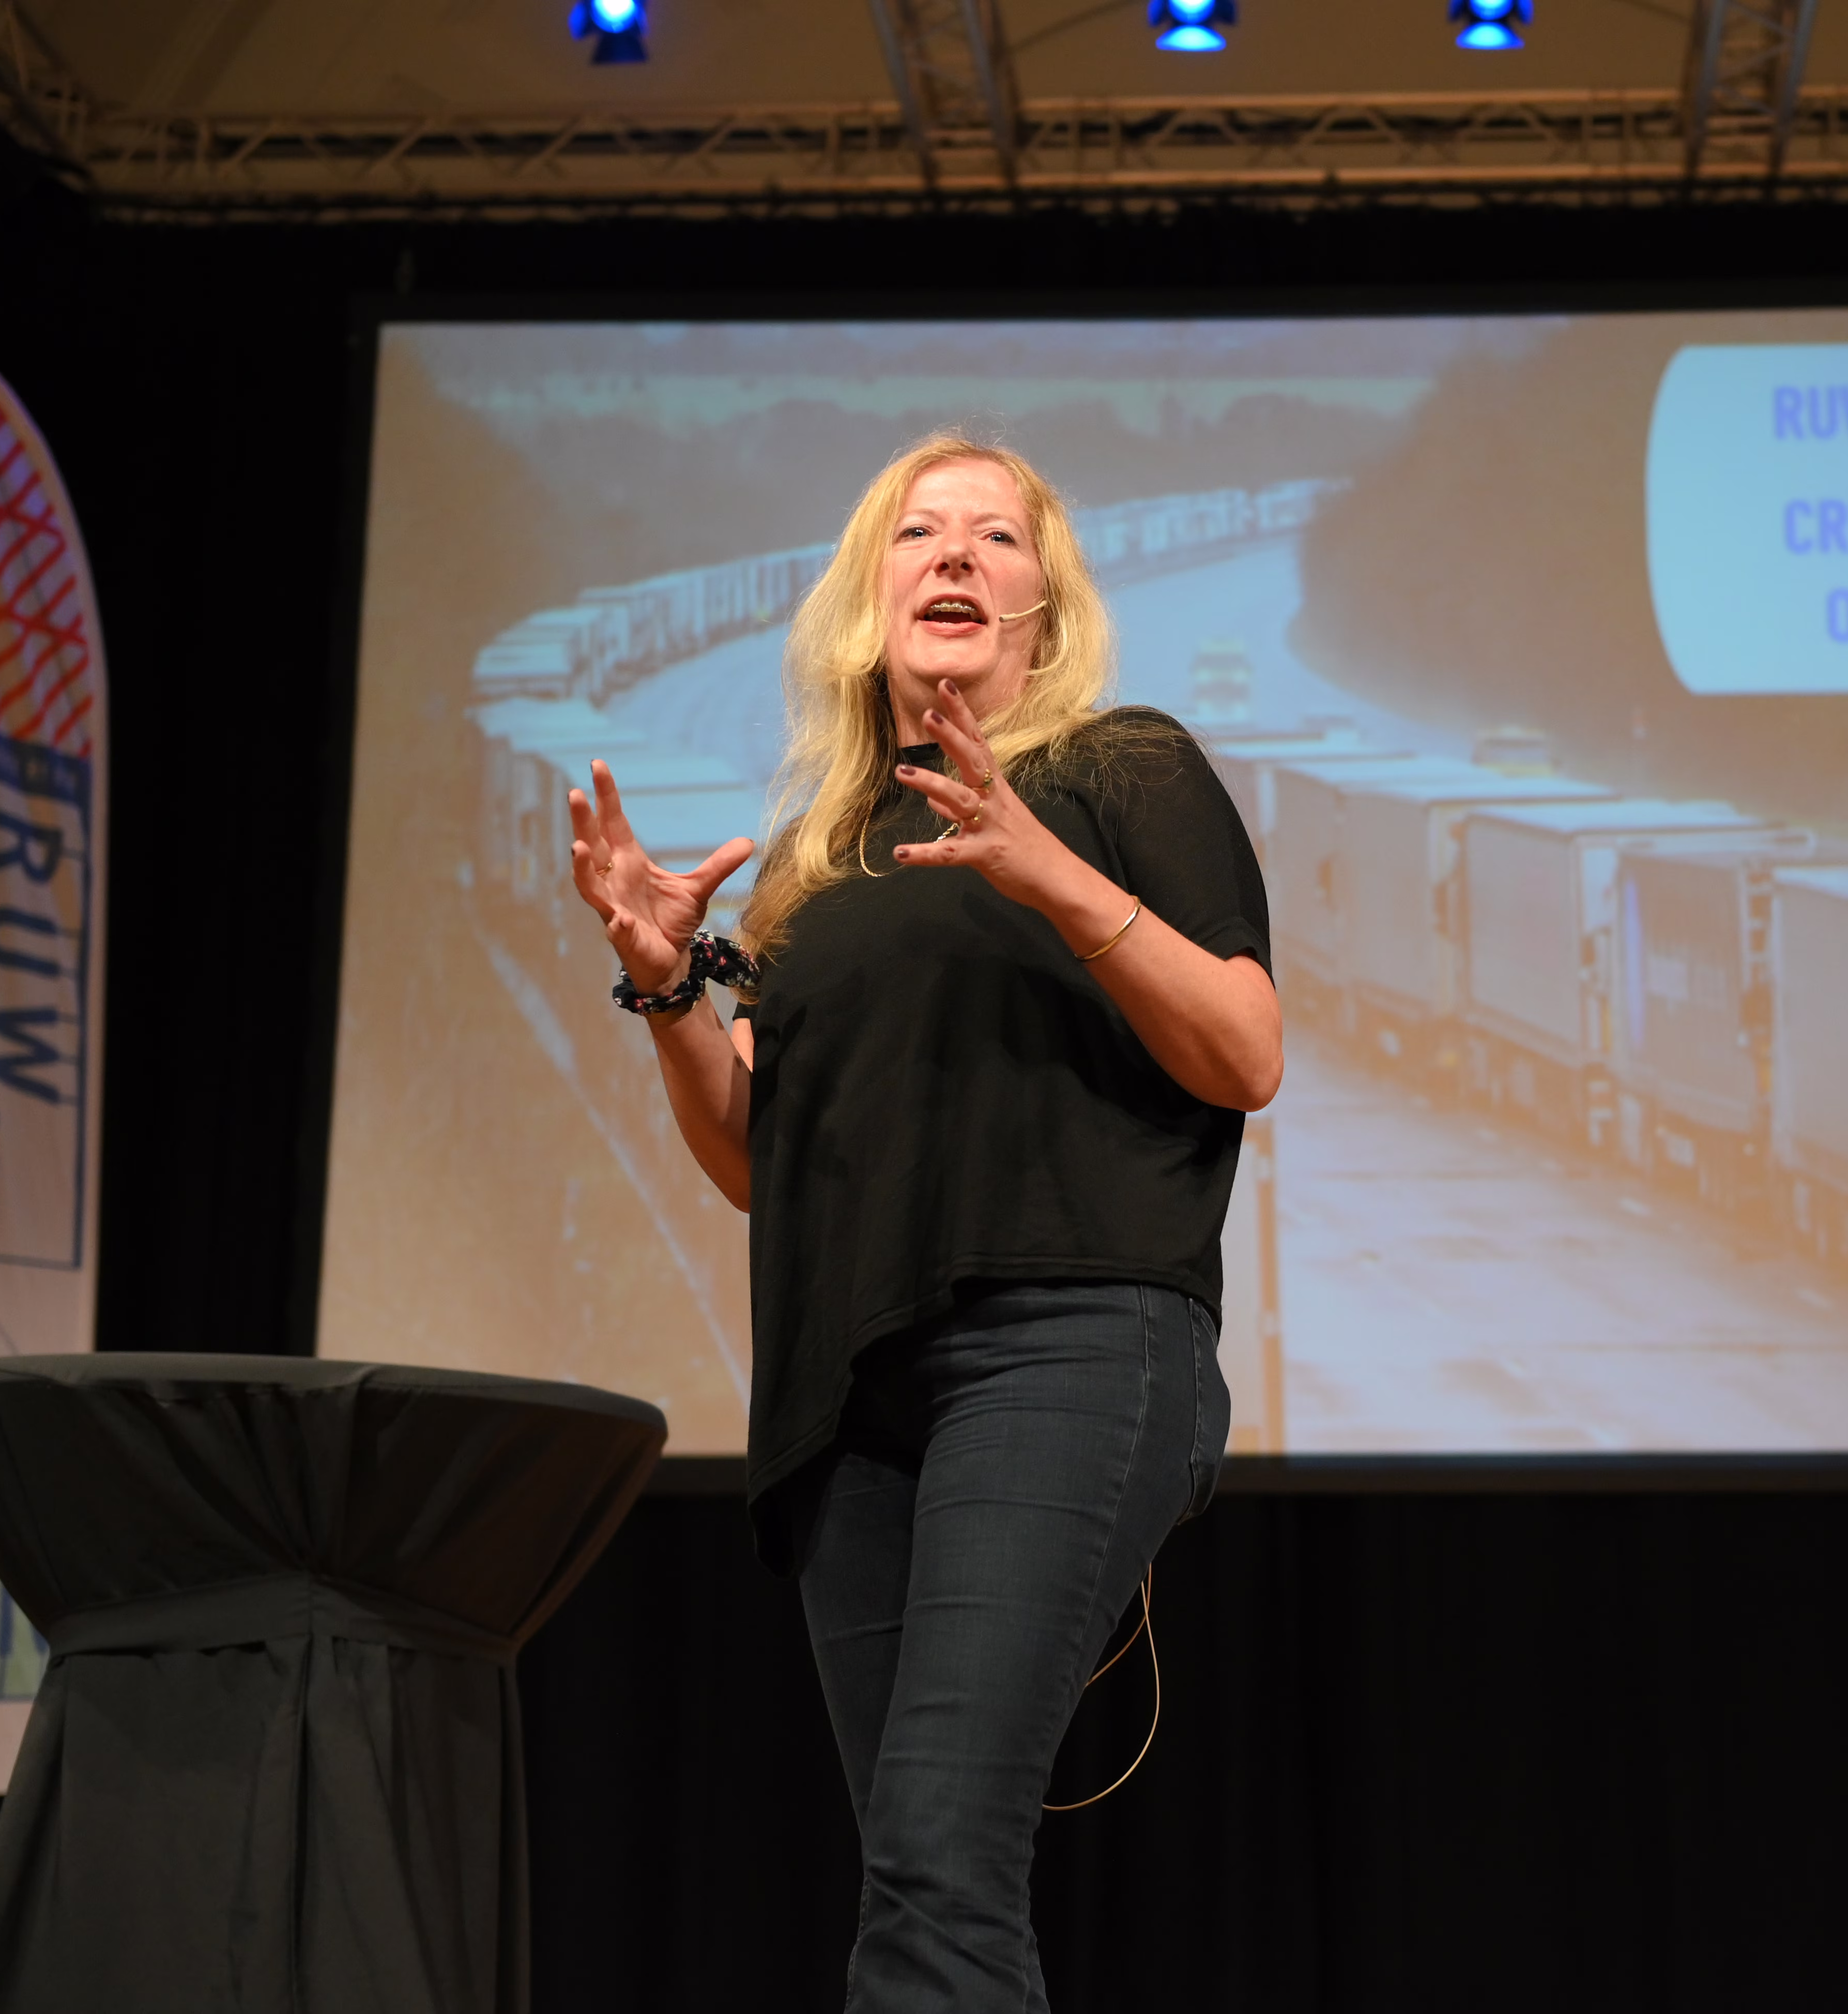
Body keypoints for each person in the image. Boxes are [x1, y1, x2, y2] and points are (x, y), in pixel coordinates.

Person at [564, 434, 1280, 2010]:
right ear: (867, 599)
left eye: (996, 538)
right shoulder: (815, 866)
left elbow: (1246, 1051)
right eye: (919, 533)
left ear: (1043, 608)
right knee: (925, 1871)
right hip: (852, 1406)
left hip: (1069, 1345)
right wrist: (671, 989)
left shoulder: (1121, 771)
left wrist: (1052, 877)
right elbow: (756, 1158)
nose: (955, 554)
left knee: (939, 1867)